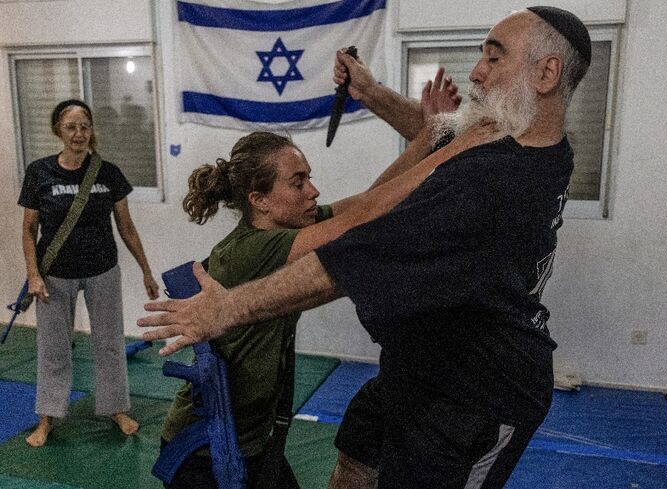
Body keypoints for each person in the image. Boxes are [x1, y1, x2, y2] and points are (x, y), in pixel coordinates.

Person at [140, 6, 591, 489]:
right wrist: (370, 94)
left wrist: (226, 309)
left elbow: (348, 253)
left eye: (495, 58)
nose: (477, 71)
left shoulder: (491, 181)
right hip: (415, 369)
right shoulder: (527, 140)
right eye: (481, 54)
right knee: (356, 457)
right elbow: (436, 139)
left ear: (546, 73)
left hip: (475, 394)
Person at [159, 66, 503, 488]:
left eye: (309, 178)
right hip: (206, 453)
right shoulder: (252, 251)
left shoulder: (287, 230)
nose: (314, 191)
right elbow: (365, 216)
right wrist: (458, 146)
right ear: (259, 200)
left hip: (252, 447)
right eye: (298, 182)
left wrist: (431, 137)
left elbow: (367, 200)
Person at [18, 99, 160, 447]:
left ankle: (115, 408)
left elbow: (126, 226)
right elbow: (28, 229)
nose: (78, 133)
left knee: (110, 344)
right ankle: (47, 417)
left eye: (84, 126)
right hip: (55, 275)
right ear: (58, 131)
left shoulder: (108, 172)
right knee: (53, 348)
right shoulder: (39, 172)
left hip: (103, 271)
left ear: (91, 130)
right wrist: (33, 275)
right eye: (71, 127)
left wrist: (146, 270)